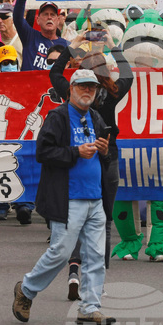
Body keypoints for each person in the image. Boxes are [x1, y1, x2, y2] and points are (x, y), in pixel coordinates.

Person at [12, 69, 117, 325]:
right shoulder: (57, 117)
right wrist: (74, 152)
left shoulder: (96, 118)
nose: (87, 91)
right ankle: (26, 289)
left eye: (91, 87)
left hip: (95, 198)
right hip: (68, 198)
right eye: (82, 86)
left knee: (95, 256)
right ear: (70, 89)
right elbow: (43, 152)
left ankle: (90, 306)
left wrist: (104, 151)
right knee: (60, 252)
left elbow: (109, 155)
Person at [52, 37, 134, 293]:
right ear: (106, 71)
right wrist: (113, 45)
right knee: (103, 217)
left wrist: (71, 46)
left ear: (79, 74)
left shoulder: (74, 91)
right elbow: (129, 74)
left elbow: (55, 71)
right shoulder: (112, 91)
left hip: (79, 155)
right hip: (106, 154)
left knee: (76, 215)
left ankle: (74, 270)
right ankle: (96, 280)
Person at [13, 0, 67, 71]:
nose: (49, 17)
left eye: (52, 15)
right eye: (45, 14)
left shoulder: (65, 45)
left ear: (58, 20)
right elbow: (18, 19)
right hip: (29, 84)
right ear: (38, 20)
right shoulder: (30, 36)